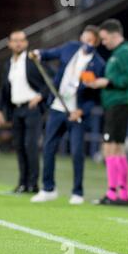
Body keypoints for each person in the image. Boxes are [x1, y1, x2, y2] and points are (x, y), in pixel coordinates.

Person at [29, 26, 105, 204]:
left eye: (90, 39)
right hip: (57, 108)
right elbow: (48, 54)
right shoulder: (70, 48)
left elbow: (95, 97)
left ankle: (77, 192)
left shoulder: (98, 64)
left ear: (95, 42)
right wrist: (37, 53)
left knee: (77, 152)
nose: (86, 41)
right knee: (48, 148)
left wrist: (82, 111)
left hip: (75, 113)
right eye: (84, 37)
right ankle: (48, 188)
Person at [85, 19, 128, 206]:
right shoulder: (119, 52)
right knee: (117, 148)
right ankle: (121, 194)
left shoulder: (125, 51)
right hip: (114, 104)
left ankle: (113, 192)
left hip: (118, 104)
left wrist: (106, 82)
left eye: (105, 38)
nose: (104, 42)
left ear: (115, 35)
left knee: (111, 148)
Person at [0, 30, 49, 194]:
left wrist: (41, 96)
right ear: (9, 44)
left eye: (21, 40)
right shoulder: (8, 64)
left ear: (26, 43)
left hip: (32, 109)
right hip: (16, 109)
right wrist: (0, 110)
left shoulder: (33, 60)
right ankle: (22, 183)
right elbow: (4, 90)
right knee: (19, 146)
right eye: (15, 41)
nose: (18, 43)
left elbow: (52, 79)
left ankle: (33, 184)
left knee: (30, 145)